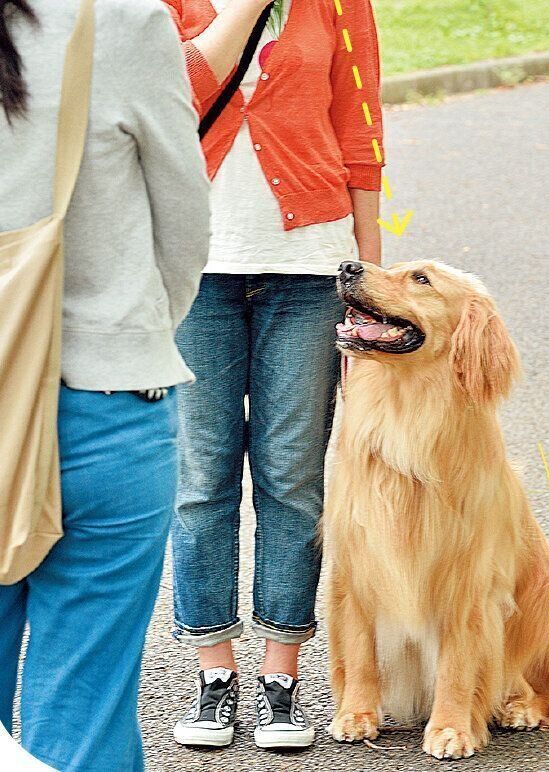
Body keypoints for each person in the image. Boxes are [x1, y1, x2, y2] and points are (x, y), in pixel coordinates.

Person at [163, 0, 384, 750]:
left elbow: (360, 131)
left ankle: (281, 678)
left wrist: (370, 286)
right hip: (194, 271)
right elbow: (178, 90)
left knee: (293, 477)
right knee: (202, 478)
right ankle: (214, 675)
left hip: (310, 271)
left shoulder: (339, 4)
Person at [0, 1, 210, 769]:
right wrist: (136, 334)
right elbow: (183, 220)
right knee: (83, 707)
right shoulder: (116, 20)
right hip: (101, 399)